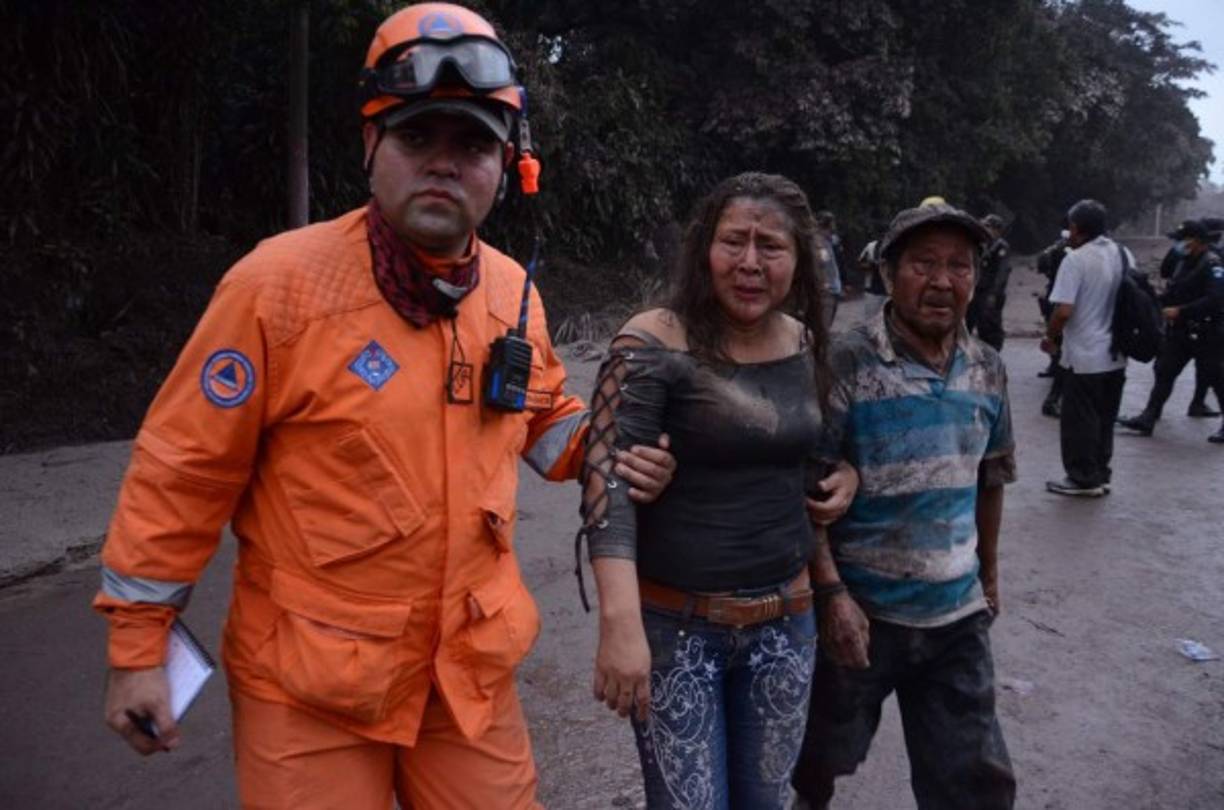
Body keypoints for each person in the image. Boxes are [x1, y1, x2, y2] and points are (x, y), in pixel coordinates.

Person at [93, 6, 677, 808]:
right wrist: (135, 649)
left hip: (465, 677)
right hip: (311, 691)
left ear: (508, 166)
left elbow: (544, 423)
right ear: (371, 147)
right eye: (415, 139)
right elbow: (182, 471)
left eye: (471, 144)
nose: (443, 165)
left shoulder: (511, 293)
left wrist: (621, 444)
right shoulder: (276, 289)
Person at [577, 172, 860, 808]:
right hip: (678, 629)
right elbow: (607, 483)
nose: (750, 263)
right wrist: (620, 627)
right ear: (705, 246)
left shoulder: (806, 341)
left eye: (771, 247)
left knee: (766, 802)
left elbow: (810, 455)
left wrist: (849, 476)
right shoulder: (651, 340)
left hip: (787, 625)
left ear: (801, 260)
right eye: (734, 241)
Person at [791, 202, 1017, 810]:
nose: (943, 281)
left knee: (975, 785)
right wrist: (832, 595)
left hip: (956, 615)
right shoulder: (846, 360)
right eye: (924, 263)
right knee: (814, 763)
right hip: (861, 613)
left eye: (959, 266)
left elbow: (991, 477)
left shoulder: (989, 370)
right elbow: (807, 484)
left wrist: (988, 573)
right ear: (889, 274)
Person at [1041, 199, 1127, 496]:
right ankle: (1101, 473)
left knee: (1079, 420)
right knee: (1105, 418)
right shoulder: (1122, 254)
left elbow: (1063, 311)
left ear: (1075, 227)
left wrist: (1050, 337)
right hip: (1116, 355)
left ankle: (1081, 478)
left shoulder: (1075, 260)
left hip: (1084, 356)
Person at [1118, 219, 1224, 439]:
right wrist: (1155, 299)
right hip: (1181, 332)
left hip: (1207, 332)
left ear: (1196, 241)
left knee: (1216, 378)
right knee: (1164, 371)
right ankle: (1148, 416)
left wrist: (1182, 311)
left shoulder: (1213, 264)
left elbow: (1216, 300)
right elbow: (1175, 291)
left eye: (1182, 240)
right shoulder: (1184, 262)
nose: (1178, 245)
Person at [1035, 230, 1070, 417]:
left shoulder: (1071, 255)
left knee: (1063, 351)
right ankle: (1054, 395)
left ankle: (1054, 397)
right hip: (1058, 297)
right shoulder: (1062, 252)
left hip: (1060, 300)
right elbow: (1042, 265)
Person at [965, 213, 1011, 351]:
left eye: (988, 226)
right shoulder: (980, 244)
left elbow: (1002, 273)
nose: (985, 229)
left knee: (989, 325)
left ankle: (993, 353)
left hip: (990, 291)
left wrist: (994, 294)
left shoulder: (1000, 247)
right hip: (976, 289)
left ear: (997, 230)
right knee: (967, 322)